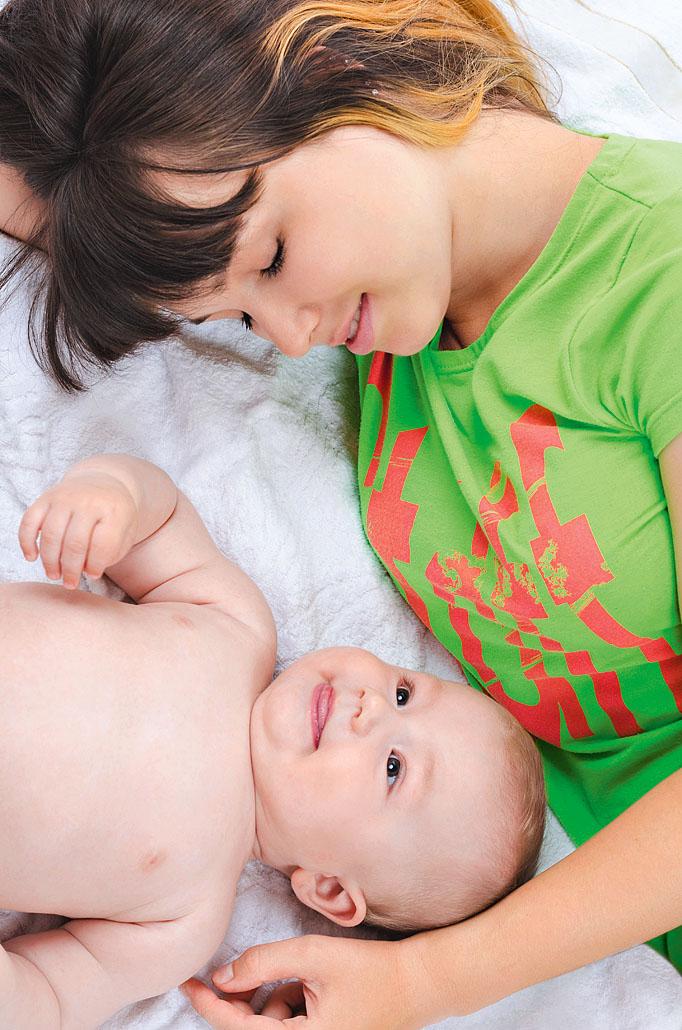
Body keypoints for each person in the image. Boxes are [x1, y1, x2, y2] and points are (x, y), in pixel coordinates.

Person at [0, 0, 680, 1026]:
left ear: (333, 58)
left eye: (271, 259)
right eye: (238, 313)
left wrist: (425, 982)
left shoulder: (656, 278)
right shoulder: (399, 300)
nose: (285, 334)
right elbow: (65, 180)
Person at [0, 451, 544, 1028]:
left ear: (330, 889)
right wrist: (111, 495)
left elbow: (50, 994)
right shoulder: (239, 626)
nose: (372, 705)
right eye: (404, 692)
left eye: (393, 767)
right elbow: (160, 521)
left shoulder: (185, 922)